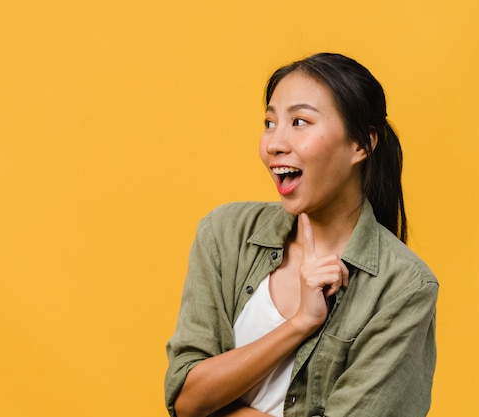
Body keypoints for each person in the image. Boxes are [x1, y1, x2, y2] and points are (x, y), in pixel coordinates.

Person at [165, 52, 438, 417]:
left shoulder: (403, 287)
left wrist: (219, 409)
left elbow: (201, 408)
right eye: (269, 121)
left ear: (361, 144)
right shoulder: (226, 233)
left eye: (299, 121)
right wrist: (300, 324)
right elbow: (185, 398)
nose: (275, 143)